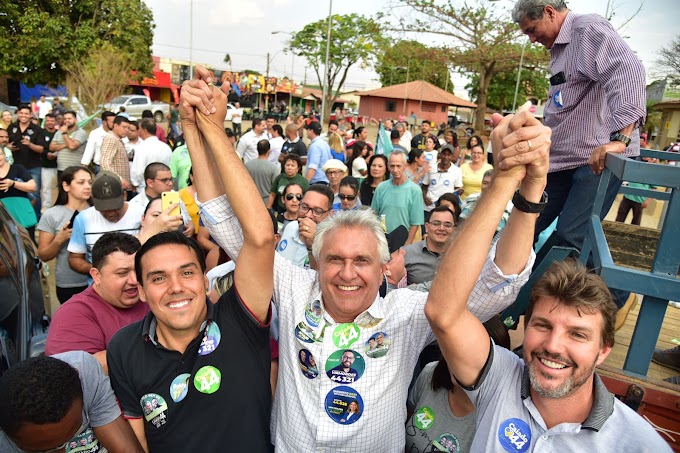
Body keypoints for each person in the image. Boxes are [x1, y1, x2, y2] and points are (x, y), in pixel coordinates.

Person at [180, 65, 540, 451]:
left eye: (362, 261)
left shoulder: (407, 314)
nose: (346, 273)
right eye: (334, 259)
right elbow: (225, 222)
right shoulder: (293, 287)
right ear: (316, 262)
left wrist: (525, 189)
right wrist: (197, 128)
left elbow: (498, 284)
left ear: (384, 267)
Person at [425, 106, 668, 451]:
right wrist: (512, 178)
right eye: (542, 325)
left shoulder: (639, 445)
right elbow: (443, 312)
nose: (553, 346)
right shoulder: (501, 379)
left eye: (578, 334)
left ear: (603, 351)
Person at [108, 83, 273, 451]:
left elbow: (260, 237)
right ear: (141, 287)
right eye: (158, 278)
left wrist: (204, 130)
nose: (176, 287)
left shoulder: (241, 320)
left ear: (204, 277)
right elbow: (138, 439)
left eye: (186, 272)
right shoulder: (124, 347)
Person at [512, 0, 645, 311]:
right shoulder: (559, 50)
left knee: (569, 236)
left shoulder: (587, 29)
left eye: (532, 30)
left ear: (548, 10)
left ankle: (529, 302)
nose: (532, 39)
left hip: (594, 159)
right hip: (561, 158)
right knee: (526, 221)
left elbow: (628, 70)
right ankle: (507, 291)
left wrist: (621, 138)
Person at [45, 232, 149, 372]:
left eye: (138, 271)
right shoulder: (74, 314)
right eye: (122, 273)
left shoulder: (151, 295)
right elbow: (73, 374)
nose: (133, 281)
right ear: (96, 276)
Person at [0, 352, 144, 453]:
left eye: (72, 433)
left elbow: (127, 449)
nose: (62, 450)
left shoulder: (84, 374)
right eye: (42, 451)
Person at [405, 317, 511, 453]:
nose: (465, 363)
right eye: (461, 350)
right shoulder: (430, 373)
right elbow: (408, 418)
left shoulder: (498, 420)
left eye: (478, 358)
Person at [67, 171, 145, 274]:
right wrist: (100, 272)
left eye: (115, 207)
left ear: (124, 196)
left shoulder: (141, 213)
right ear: (93, 199)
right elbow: (75, 258)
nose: (110, 213)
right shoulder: (83, 219)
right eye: (103, 208)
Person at [37, 166, 93, 303]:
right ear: (66, 186)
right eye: (81, 182)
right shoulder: (52, 215)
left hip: (100, 281)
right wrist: (59, 240)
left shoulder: (100, 212)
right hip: (69, 283)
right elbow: (43, 255)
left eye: (90, 182)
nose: (87, 187)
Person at [402, 205, 456, 284]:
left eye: (447, 225)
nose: (441, 228)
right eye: (436, 223)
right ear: (427, 227)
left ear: (454, 229)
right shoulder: (406, 253)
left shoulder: (460, 255)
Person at [6, 104, 45, 215]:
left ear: (30, 115)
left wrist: (30, 144)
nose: (23, 115)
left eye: (26, 113)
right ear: (18, 114)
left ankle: (35, 218)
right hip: (15, 167)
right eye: (21, 113)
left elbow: (41, 149)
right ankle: (19, 217)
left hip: (33, 166)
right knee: (16, 193)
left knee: (35, 194)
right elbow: (4, 143)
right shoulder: (11, 128)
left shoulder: (37, 130)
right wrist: (7, 147)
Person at [130, 118, 173, 193]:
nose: (138, 131)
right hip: (165, 188)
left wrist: (134, 184)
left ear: (144, 130)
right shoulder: (166, 147)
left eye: (139, 129)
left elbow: (137, 171)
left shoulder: (142, 147)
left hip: (146, 190)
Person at [51, 110, 88, 178]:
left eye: (69, 118)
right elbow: (52, 147)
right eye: (65, 119)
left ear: (75, 120)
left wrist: (64, 134)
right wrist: (66, 144)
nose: (67, 121)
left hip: (76, 169)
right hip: (61, 168)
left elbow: (72, 146)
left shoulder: (81, 132)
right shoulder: (59, 132)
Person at [245, 139, 281, 204]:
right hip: (267, 202)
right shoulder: (274, 167)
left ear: (257, 149)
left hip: (250, 201)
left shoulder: (247, 165)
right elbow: (275, 187)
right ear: (269, 151)